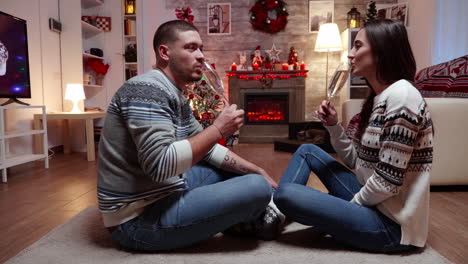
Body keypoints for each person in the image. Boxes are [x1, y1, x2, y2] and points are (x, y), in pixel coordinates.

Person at [97, 20, 283, 252]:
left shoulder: (174, 93)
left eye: (201, 48)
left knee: (230, 171)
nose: (201, 56)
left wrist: (258, 170)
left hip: (164, 192)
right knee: (256, 188)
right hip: (136, 220)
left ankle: (249, 214)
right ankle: (258, 215)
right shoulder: (146, 89)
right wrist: (218, 130)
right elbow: (160, 165)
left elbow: (210, 150)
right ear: (164, 52)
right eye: (191, 48)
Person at [274, 19, 434, 253]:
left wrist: (346, 211)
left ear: (381, 51)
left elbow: (387, 182)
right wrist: (333, 125)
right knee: (307, 151)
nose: (350, 54)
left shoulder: (403, 97)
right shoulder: (379, 98)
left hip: (392, 226)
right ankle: (272, 216)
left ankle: (272, 214)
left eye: (357, 46)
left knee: (286, 194)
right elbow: (355, 162)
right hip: (374, 203)